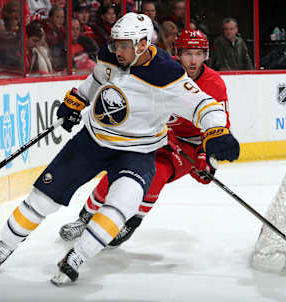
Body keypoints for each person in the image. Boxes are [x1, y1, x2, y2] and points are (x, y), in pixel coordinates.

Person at [0, 13, 239, 286]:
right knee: (43, 198)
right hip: (92, 142)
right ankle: (4, 246)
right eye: (115, 43)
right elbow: (95, 79)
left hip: (137, 152)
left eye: (124, 45)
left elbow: (205, 105)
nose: (118, 50)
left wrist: (216, 131)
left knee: (121, 205)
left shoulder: (167, 73)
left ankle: (77, 257)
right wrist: (77, 100)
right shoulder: (110, 55)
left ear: (142, 44)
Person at [59, 29, 231, 248]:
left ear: (206, 55)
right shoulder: (163, 71)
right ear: (178, 53)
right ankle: (85, 218)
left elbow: (219, 126)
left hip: (188, 144)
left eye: (198, 53)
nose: (193, 60)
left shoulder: (214, 83)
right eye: (188, 53)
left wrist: (208, 158)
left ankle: (130, 222)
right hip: (154, 134)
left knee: (157, 173)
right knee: (120, 170)